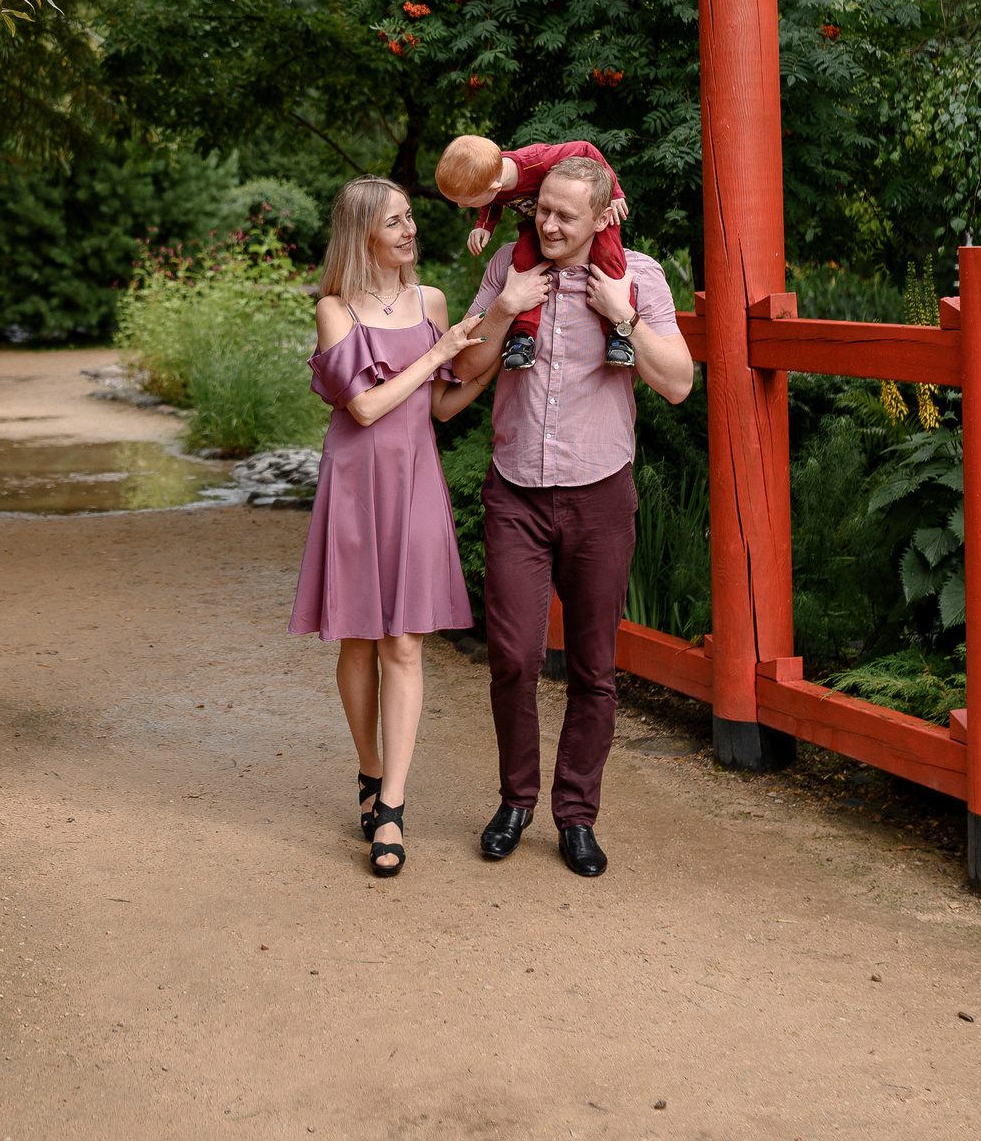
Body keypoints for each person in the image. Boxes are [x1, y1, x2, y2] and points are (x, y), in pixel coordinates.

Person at [449, 155, 693, 878]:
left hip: (599, 492)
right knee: (514, 656)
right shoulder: (509, 266)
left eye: (564, 216)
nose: (548, 224)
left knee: (593, 667)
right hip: (516, 488)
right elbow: (462, 372)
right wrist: (501, 305)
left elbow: (678, 383)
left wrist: (622, 315)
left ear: (600, 220)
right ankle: (516, 800)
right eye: (542, 210)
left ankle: (577, 815)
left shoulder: (637, 275)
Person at [291, 176, 489, 878]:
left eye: (411, 218)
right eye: (396, 222)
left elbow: (438, 409)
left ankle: (393, 810)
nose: (411, 230)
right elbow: (366, 409)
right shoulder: (335, 310)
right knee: (360, 637)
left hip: (414, 480)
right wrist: (438, 355)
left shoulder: (430, 301)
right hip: (356, 482)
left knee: (404, 642)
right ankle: (370, 772)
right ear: (363, 234)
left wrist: (492, 348)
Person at [433, 134, 637, 370]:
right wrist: (484, 225)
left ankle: (619, 335)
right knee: (522, 263)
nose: (461, 206)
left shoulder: (535, 161)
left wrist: (615, 192)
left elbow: (586, 148)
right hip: (538, 223)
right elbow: (492, 201)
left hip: (591, 212)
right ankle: (522, 336)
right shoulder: (489, 177)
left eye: (467, 202)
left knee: (610, 261)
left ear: (495, 187)